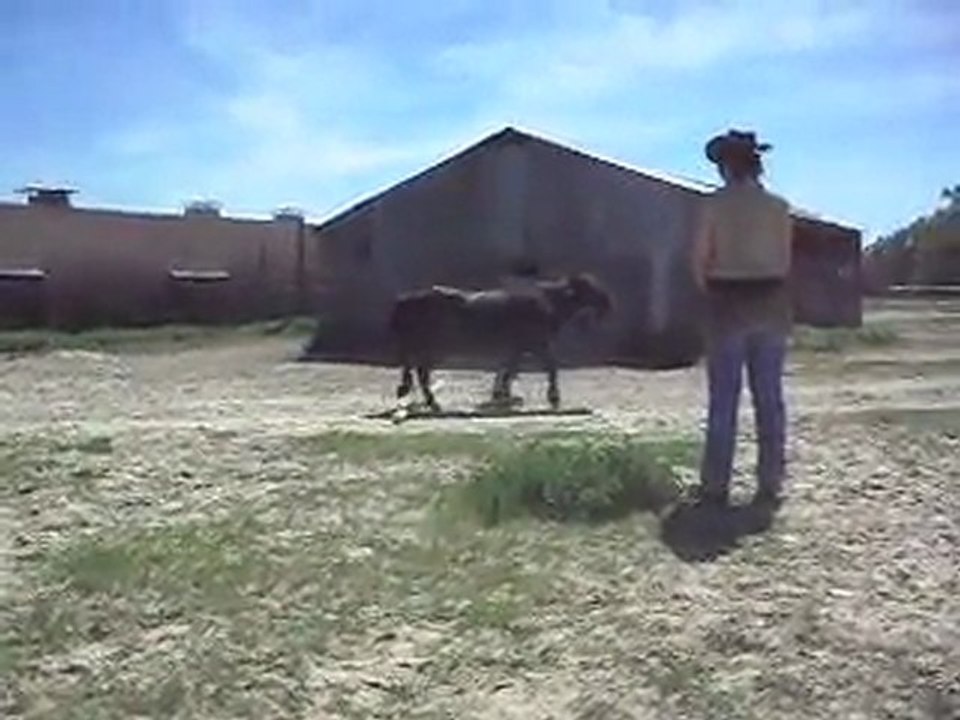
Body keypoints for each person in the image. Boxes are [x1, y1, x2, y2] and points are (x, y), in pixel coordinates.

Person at [691, 129, 794, 511]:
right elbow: (784, 262)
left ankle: (716, 486)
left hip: (726, 299)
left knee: (724, 400)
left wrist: (710, 292)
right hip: (770, 299)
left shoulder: (713, 206)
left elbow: (700, 261)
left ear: (725, 166)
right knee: (769, 398)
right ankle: (770, 482)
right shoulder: (780, 207)